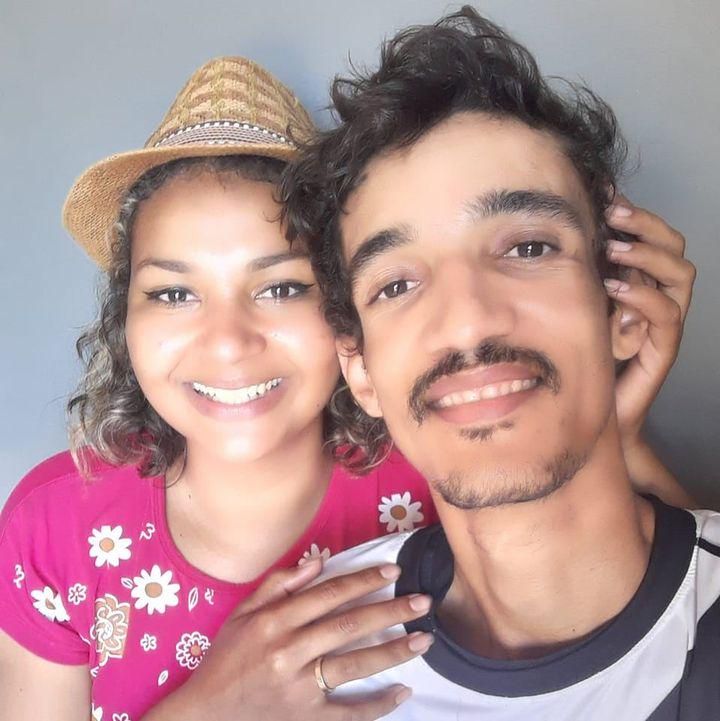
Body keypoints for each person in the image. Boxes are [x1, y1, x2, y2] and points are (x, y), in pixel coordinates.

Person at [0, 45, 694, 721]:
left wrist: (609, 425)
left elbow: (672, 606)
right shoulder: (54, 524)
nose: (227, 342)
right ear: (124, 317)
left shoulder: (444, 465)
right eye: (173, 294)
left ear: (348, 330)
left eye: (280, 287)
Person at [281, 7, 712, 720]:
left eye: (528, 248)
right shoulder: (301, 661)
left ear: (626, 309)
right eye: (396, 285)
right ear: (359, 371)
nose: (467, 319)